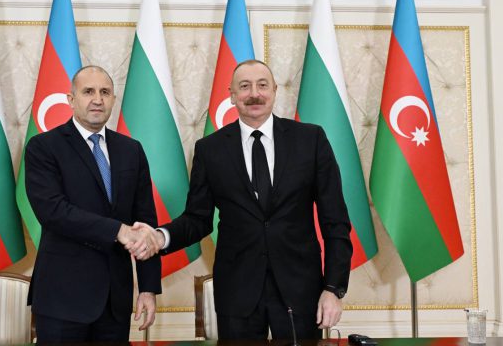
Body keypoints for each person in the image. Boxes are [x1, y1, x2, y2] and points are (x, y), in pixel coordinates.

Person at [130, 59, 352, 340]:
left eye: (262, 85)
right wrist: (160, 237)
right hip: (237, 293)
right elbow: (197, 219)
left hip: (300, 291)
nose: (254, 94)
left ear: (275, 91)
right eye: (244, 86)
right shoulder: (209, 149)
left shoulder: (311, 139)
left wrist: (333, 289)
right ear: (232, 95)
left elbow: (335, 221)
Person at [25, 65, 161, 342]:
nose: (97, 99)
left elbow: (146, 223)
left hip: (115, 301)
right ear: (71, 99)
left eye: (105, 92)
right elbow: (53, 212)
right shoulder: (43, 147)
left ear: (113, 99)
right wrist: (118, 231)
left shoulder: (131, 150)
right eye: (88, 92)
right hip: (63, 298)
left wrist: (148, 288)